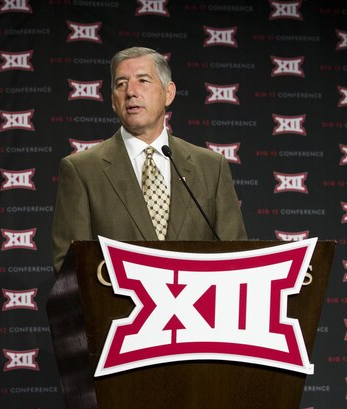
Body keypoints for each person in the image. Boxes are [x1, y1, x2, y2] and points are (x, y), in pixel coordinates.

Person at [52, 46, 247, 273]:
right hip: (120, 308)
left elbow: (237, 258)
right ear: (113, 101)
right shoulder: (82, 170)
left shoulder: (211, 167)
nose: (131, 92)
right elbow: (70, 268)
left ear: (168, 93)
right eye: (121, 84)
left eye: (143, 80)